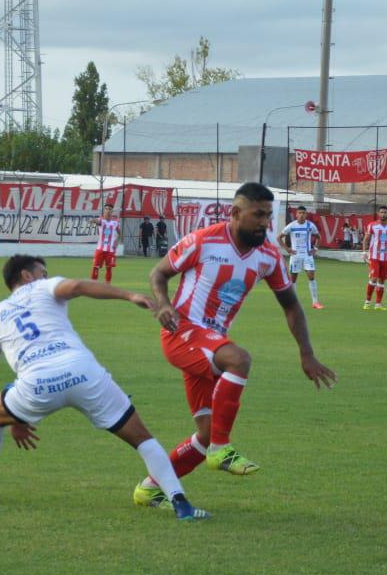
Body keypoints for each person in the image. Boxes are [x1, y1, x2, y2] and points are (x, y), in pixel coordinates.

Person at [0, 255, 209, 521]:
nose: (47, 277)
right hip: (84, 372)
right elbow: (78, 287)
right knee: (143, 439)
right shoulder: (43, 288)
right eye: (43, 272)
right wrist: (129, 296)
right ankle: (180, 503)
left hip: (37, 384)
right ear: (26, 276)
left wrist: (13, 417)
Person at [134, 182, 337, 507]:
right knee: (239, 360)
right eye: (258, 215)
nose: (265, 223)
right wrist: (164, 304)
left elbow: (291, 305)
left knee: (205, 432)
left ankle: (151, 487)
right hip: (181, 333)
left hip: (210, 346)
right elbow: (158, 274)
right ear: (235, 213)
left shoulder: (268, 255)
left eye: (269, 216)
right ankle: (222, 448)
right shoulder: (203, 240)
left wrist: (307, 352)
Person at [279, 206, 323, 309]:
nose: (302, 215)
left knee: (311, 276)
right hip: (295, 256)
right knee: (293, 279)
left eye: (304, 213)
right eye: (300, 213)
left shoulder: (310, 225)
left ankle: (315, 302)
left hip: (307, 255)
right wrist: (287, 249)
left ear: (306, 214)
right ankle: (292, 303)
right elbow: (279, 237)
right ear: (296, 214)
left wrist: (315, 249)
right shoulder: (291, 226)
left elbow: (318, 237)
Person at [363, 206, 387, 309]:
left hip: (386, 258)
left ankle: (378, 304)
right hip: (374, 256)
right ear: (378, 213)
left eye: (385, 212)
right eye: (381, 212)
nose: (383, 214)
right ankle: (367, 302)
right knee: (373, 278)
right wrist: (364, 252)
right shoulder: (372, 225)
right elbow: (366, 239)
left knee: (382, 280)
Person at [91, 205, 120, 283]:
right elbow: (97, 221)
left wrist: (116, 244)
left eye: (109, 209)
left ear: (112, 211)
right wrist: (93, 220)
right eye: (106, 209)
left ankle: (107, 285)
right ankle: (93, 285)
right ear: (104, 211)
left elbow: (120, 234)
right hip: (100, 249)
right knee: (95, 267)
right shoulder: (101, 220)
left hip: (110, 251)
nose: (107, 210)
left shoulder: (115, 223)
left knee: (109, 268)